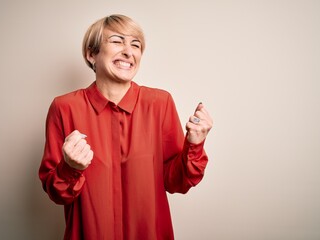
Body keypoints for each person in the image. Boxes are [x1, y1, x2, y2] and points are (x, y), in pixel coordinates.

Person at [39, 14, 213, 240]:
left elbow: (175, 181)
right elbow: (57, 192)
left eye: (136, 44)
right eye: (117, 41)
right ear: (92, 54)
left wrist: (194, 145)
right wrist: (70, 167)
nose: (128, 51)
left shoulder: (160, 103)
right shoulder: (64, 108)